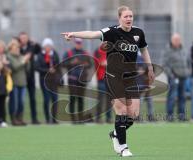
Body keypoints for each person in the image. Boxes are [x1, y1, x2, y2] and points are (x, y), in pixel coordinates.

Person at [61, 6, 155, 157]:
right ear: (119, 18)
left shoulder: (138, 33)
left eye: (131, 16)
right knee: (122, 111)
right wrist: (73, 34)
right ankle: (123, 147)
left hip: (131, 77)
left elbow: (144, 49)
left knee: (134, 114)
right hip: (113, 77)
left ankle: (115, 133)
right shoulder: (112, 31)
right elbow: (92, 34)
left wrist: (150, 68)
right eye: (126, 16)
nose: (129, 19)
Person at [163, 33, 191, 122]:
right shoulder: (168, 50)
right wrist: (171, 75)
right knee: (172, 96)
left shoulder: (184, 49)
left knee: (182, 97)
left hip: (183, 77)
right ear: (172, 40)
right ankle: (169, 116)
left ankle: (181, 116)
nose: (177, 41)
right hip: (173, 78)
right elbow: (164, 65)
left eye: (178, 40)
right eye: (175, 40)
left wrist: (188, 71)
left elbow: (188, 62)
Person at [63, 38, 92, 123]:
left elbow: (90, 64)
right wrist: (72, 62)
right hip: (72, 79)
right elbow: (63, 64)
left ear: (81, 43)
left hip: (82, 80)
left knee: (80, 99)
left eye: (79, 43)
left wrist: (85, 64)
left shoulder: (85, 53)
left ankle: (80, 118)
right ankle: (73, 119)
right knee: (72, 99)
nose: (78, 44)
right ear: (74, 43)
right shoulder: (69, 53)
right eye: (77, 43)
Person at [36, 38, 61, 124]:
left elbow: (59, 66)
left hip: (54, 81)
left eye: (49, 46)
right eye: (46, 46)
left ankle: (54, 119)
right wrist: (47, 70)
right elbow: (37, 68)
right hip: (44, 81)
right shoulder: (40, 55)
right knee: (46, 100)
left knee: (55, 99)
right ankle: (47, 118)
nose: (48, 48)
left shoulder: (55, 55)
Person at [19, 32, 41, 124]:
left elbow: (39, 50)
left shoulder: (31, 46)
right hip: (21, 77)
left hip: (31, 76)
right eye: (22, 38)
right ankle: (19, 118)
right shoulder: (18, 48)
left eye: (25, 38)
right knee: (21, 99)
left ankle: (34, 118)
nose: (24, 39)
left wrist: (36, 43)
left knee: (32, 98)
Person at [7, 39, 31, 126]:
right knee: (14, 102)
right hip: (14, 83)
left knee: (21, 102)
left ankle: (19, 119)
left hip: (23, 83)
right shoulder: (9, 57)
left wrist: (27, 62)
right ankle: (13, 119)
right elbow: (15, 67)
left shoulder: (21, 56)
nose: (17, 49)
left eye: (18, 47)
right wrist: (24, 61)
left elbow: (27, 69)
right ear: (11, 48)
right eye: (15, 47)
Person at [94, 45, 112, 123]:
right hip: (101, 79)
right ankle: (98, 118)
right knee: (100, 100)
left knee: (109, 100)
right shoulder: (97, 51)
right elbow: (97, 62)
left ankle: (109, 118)